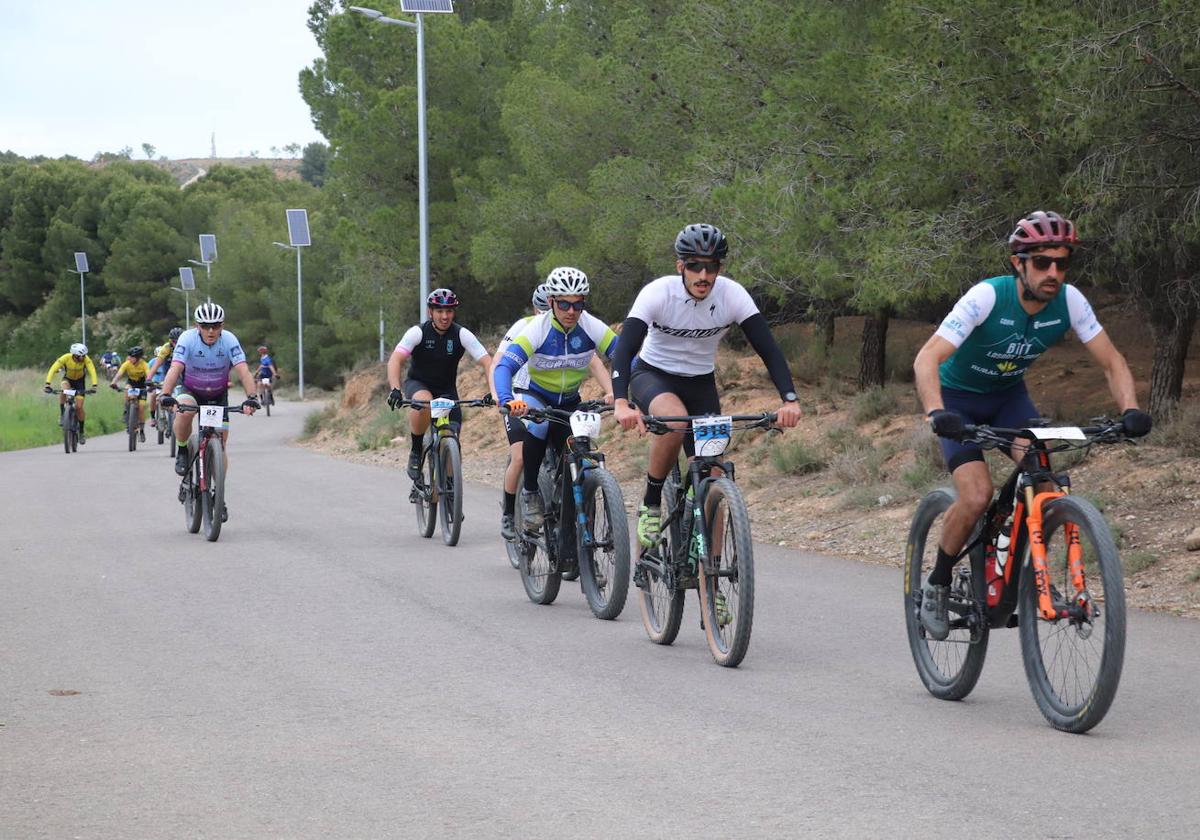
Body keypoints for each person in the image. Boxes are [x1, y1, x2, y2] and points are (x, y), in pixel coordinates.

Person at [912, 210, 1152, 640]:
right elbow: (926, 358)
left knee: (1047, 483)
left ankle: (1032, 572)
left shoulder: (1070, 301)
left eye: (1062, 263)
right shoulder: (987, 297)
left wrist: (1130, 410)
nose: (1053, 272)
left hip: (1008, 401)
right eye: (1042, 262)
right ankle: (939, 583)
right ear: (1017, 263)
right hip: (958, 402)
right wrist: (935, 413)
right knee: (977, 494)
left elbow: (1113, 361)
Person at [612, 223, 802, 547]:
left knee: (713, 479)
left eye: (711, 267)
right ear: (680, 267)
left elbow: (768, 349)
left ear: (719, 269)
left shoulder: (732, 295)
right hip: (653, 375)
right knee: (673, 422)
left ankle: (713, 586)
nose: (703, 275)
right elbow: (625, 348)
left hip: (701, 383)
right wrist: (620, 402)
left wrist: (789, 399)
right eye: (694, 266)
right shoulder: (658, 294)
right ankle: (651, 503)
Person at [494, 268, 619, 531]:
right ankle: (529, 493)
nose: (571, 311)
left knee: (581, 451)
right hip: (536, 394)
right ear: (551, 302)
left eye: (578, 304)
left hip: (571, 399)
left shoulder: (590, 326)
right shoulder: (536, 330)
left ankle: (580, 536)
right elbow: (504, 367)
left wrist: (621, 392)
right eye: (564, 303)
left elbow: (623, 356)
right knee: (539, 425)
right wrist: (507, 399)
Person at [158, 303, 260, 513]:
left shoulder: (229, 340)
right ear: (197, 326)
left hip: (217, 394)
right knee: (187, 408)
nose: (211, 331)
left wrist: (251, 397)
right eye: (205, 326)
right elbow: (176, 367)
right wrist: (165, 394)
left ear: (222, 325)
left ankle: (218, 495)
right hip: (191, 390)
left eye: (215, 326)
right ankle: (183, 448)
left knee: (220, 445)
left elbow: (243, 370)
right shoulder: (187, 339)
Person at [386, 288, 492, 480]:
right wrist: (395, 389)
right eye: (440, 311)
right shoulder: (417, 332)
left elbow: (487, 362)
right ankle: (416, 450)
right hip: (418, 384)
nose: (445, 316)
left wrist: (494, 391)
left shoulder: (461, 334)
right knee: (424, 403)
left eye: (449, 311)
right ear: (430, 312)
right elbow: (395, 360)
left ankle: (450, 498)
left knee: (453, 443)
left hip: (446, 390)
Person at [43, 342, 99, 443]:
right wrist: (47, 383)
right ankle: (62, 414)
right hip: (68, 379)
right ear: (75, 355)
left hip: (80, 383)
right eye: (81, 356)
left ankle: (81, 432)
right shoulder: (66, 358)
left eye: (84, 355)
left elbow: (92, 371)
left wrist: (94, 385)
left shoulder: (86, 360)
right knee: (63, 390)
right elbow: (53, 369)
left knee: (79, 407)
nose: (83, 357)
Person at [109, 345, 152, 441]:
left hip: (141, 385)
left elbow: (148, 374)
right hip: (131, 383)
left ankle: (141, 430)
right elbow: (119, 373)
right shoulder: (127, 363)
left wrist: (149, 383)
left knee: (141, 408)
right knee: (127, 392)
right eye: (130, 356)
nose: (130, 358)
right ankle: (127, 411)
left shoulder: (144, 364)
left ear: (138, 358)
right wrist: (114, 382)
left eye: (132, 357)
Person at [146, 327, 183, 427]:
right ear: (170, 341)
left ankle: (178, 420)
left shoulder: (187, 346)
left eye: (179, 341)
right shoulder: (166, 348)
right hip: (167, 376)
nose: (176, 344)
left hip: (182, 376)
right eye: (174, 341)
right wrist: (149, 379)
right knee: (161, 396)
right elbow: (156, 365)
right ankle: (160, 416)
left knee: (181, 400)